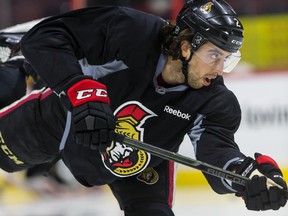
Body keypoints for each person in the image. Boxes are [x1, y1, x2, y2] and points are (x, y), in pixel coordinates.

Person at [0, 0, 286, 215]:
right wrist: (80, 89)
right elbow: (43, 38)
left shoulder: (216, 101)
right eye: (214, 55)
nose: (219, 69)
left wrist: (244, 176)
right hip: (63, 119)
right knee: (6, 151)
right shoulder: (131, 31)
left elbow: (216, 156)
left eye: (227, 59)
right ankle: (19, 65)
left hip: (138, 163)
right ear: (186, 46)